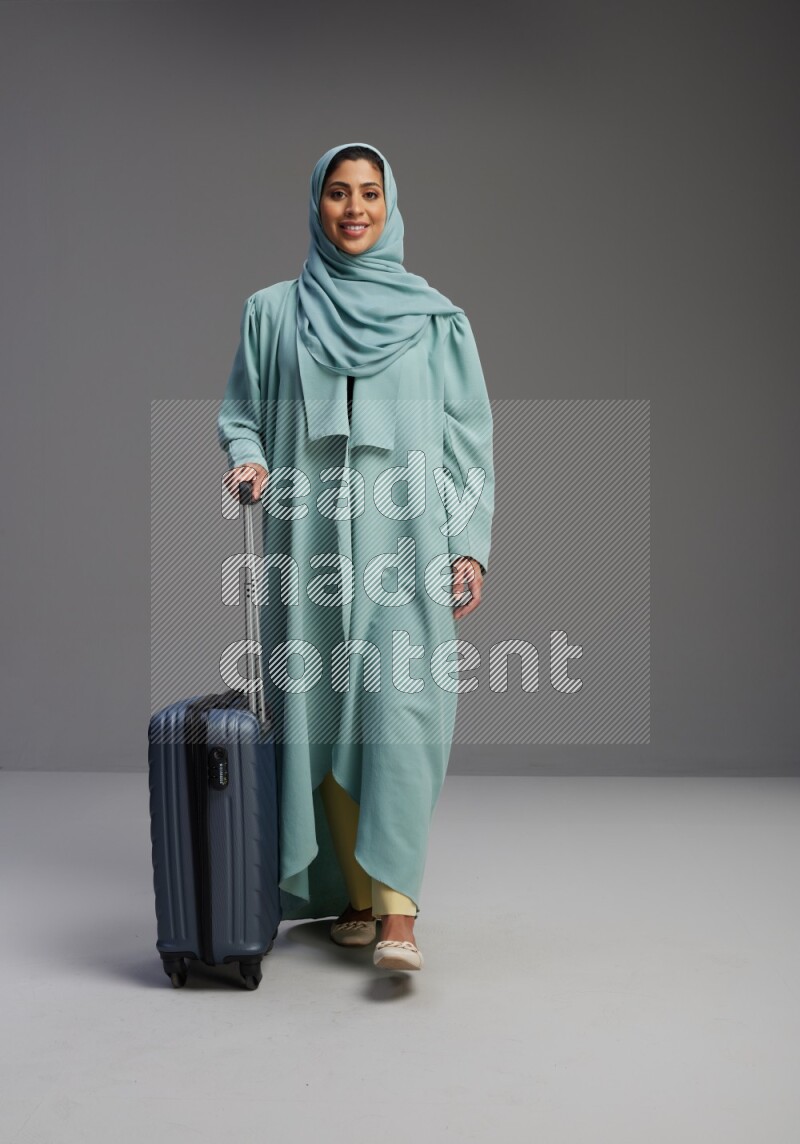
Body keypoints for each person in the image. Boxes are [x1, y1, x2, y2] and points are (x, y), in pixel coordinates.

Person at [217, 142, 494, 972]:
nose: (354, 208)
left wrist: (470, 547)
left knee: (401, 713)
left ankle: (399, 916)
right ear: (317, 204)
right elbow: (241, 413)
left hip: (408, 541)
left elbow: (467, 437)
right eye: (338, 193)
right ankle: (359, 900)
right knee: (320, 716)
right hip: (305, 544)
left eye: (369, 193)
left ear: (390, 203)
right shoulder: (272, 312)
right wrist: (249, 459)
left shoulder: (436, 321)